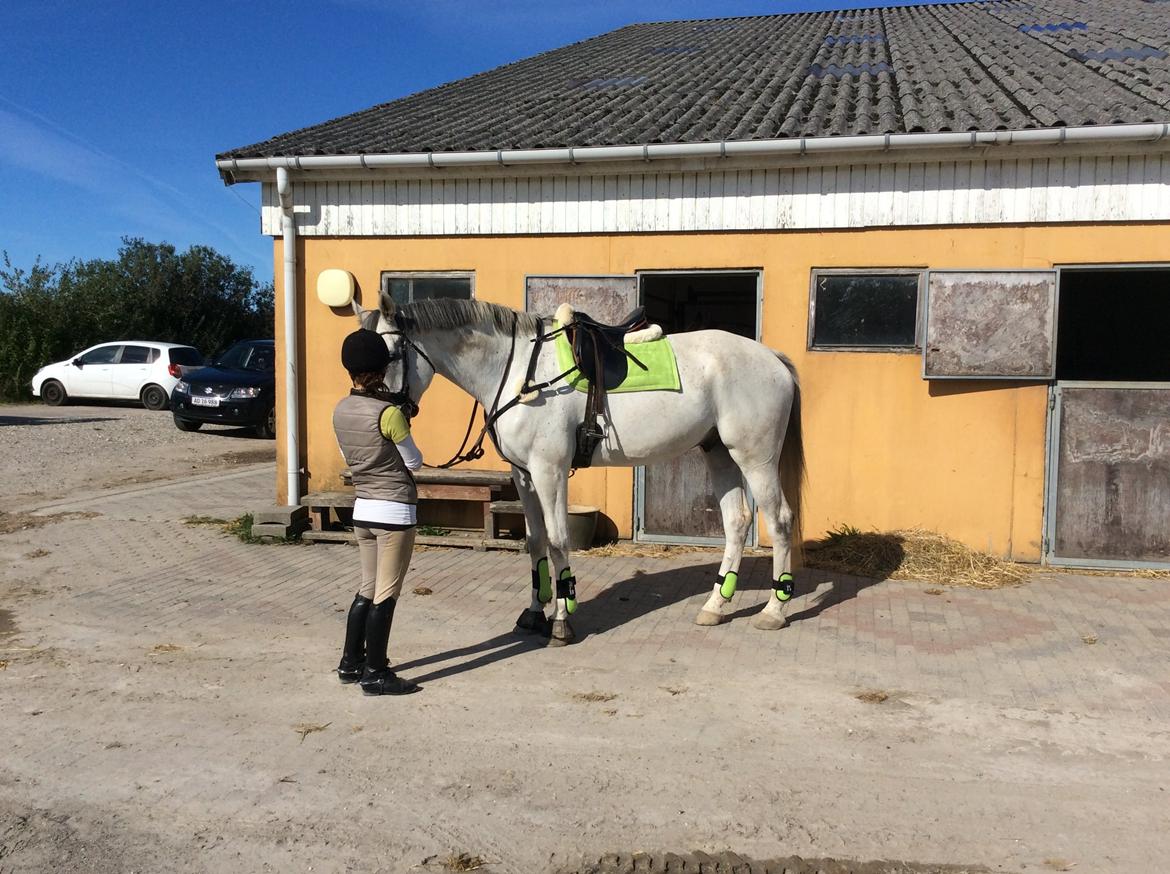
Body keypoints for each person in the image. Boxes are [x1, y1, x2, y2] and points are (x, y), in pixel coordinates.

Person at [332, 329, 423, 696]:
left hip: (362, 511)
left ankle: (350, 663)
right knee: (387, 592)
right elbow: (414, 462)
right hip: (395, 514)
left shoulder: (341, 409)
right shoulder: (389, 414)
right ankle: (376, 672)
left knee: (366, 588)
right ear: (383, 369)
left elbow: (349, 457)